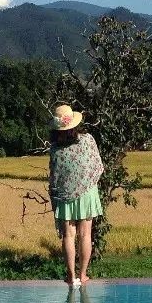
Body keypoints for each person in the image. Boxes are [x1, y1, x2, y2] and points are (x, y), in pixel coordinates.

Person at [47, 104, 104, 288]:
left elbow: (54, 177)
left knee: (68, 236)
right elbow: (97, 166)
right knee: (85, 234)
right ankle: (83, 274)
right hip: (87, 192)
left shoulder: (55, 150)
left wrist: (55, 196)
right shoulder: (88, 140)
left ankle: (71, 276)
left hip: (64, 196)